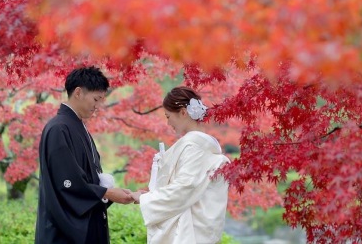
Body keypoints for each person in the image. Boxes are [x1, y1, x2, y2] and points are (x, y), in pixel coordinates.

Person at [35, 66, 134, 243]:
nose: (98, 106)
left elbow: (89, 176)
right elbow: (66, 182)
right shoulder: (59, 128)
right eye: (96, 99)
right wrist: (108, 193)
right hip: (65, 232)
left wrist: (105, 189)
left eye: (101, 100)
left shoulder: (77, 126)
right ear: (78, 92)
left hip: (89, 222)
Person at [133, 87, 229, 244]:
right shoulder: (202, 146)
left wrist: (146, 199)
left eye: (168, 116)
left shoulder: (194, 146)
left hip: (188, 234)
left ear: (183, 112)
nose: (168, 122)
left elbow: (184, 188)